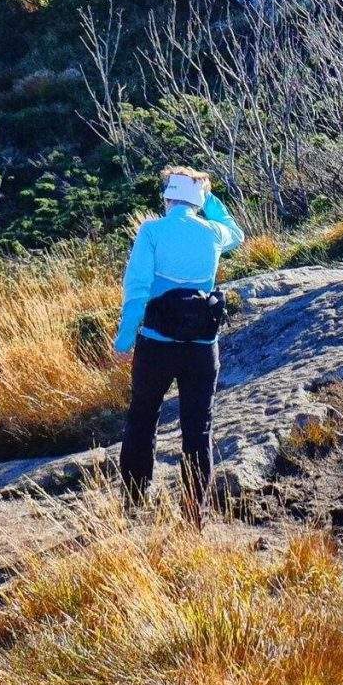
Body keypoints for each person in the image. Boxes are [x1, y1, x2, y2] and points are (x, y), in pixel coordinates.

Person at [114, 166, 243, 515]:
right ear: (198, 200)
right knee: (198, 427)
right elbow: (237, 233)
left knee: (142, 418)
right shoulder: (213, 232)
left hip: (156, 344)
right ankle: (193, 512)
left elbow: (137, 289)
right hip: (202, 347)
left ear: (168, 197)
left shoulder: (151, 231)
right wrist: (210, 199)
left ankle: (134, 504)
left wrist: (124, 342)